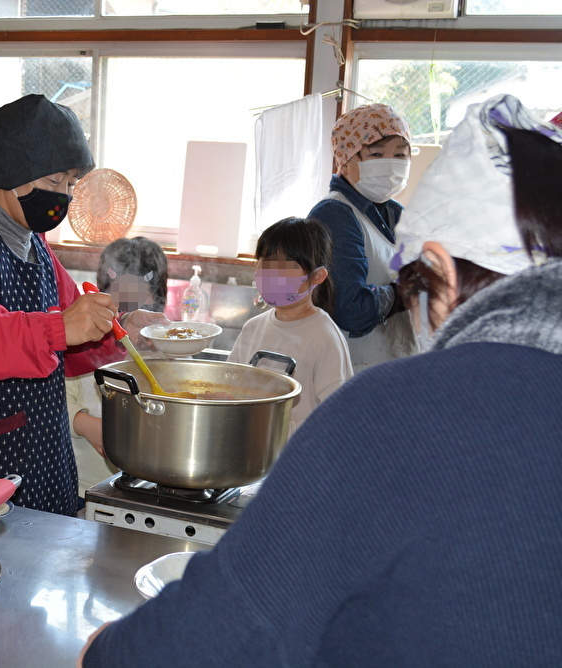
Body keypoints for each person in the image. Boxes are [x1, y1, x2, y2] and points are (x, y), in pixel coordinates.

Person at [80, 94, 562, 666]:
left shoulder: (392, 413)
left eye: (414, 284)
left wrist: (109, 654)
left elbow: (237, 617)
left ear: (445, 270)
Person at [0, 94, 156, 517]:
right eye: (56, 183)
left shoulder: (34, 243)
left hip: (38, 449)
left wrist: (125, 329)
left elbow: (76, 328)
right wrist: (58, 328)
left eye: (71, 185)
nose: (64, 197)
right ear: (15, 174)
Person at [307, 103, 416, 371]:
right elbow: (349, 309)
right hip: (352, 374)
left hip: (396, 368)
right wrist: (406, 291)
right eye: (376, 154)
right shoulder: (335, 215)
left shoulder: (396, 213)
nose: (390, 166)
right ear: (345, 159)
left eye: (400, 155)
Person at [228, 217, 352, 434]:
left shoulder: (325, 336)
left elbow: (341, 417)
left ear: (316, 277)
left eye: (283, 267)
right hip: (249, 450)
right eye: (265, 263)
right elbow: (228, 388)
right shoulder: (252, 328)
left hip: (299, 457)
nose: (269, 274)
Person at [68, 236, 170, 496]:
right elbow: (50, 401)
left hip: (152, 487)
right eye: (118, 290)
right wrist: (85, 423)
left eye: (140, 291)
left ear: (155, 294)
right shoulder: (81, 343)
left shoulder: (169, 353)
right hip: (82, 486)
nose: (127, 299)